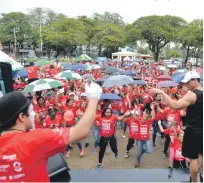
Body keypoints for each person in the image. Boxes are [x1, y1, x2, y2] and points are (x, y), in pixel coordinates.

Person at [0, 82, 102, 182]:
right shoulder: (36, 138)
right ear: (21, 117)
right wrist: (93, 98)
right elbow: (81, 131)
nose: (34, 114)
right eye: (31, 111)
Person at [150, 71, 203, 182]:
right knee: (202, 157)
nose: (186, 85)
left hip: (193, 130)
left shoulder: (192, 94)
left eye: (187, 82)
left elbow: (175, 105)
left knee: (193, 160)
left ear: (195, 80)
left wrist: (162, 93)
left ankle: (194, 181)